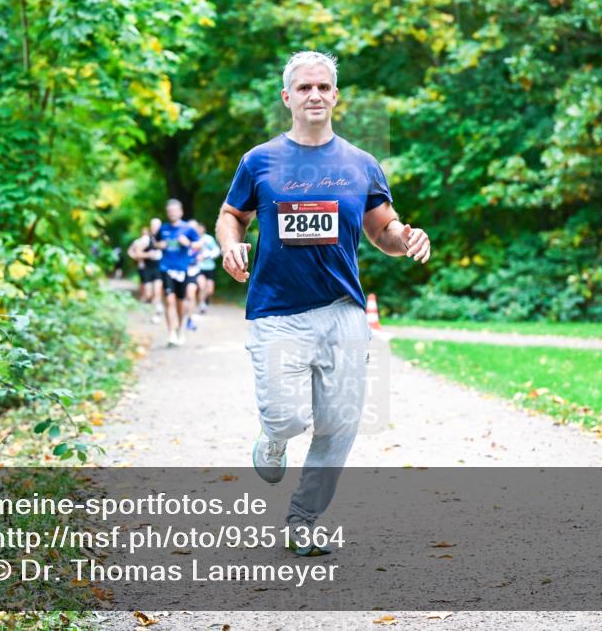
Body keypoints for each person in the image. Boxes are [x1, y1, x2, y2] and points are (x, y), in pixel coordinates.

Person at [215, 51, 430, 555]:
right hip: (276, 309)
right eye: (304, 87)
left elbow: (384, 230)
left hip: (343, 310)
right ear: (287, 97)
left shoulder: (361, 164)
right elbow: (232, 215)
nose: (315, 95)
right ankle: (272, 439)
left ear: (336, 96)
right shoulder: (259, 160)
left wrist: (408, 237)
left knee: (340, 424)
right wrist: (229, 243)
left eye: (324, 87)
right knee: (287, 418)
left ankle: (303, 520)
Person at [157, 200, 202, 346]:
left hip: (182, 269)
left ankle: (180, 330)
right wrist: (159, 245)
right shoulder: (163, 229)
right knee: (169, 300)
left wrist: (188, 244)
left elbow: (199, 244)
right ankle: (171, 333)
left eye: (175, 211)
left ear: (181, 212)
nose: (172, 213)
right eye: (169, 211)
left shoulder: (187, 229)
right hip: (166, 268)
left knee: (180, 304)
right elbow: (155, 242)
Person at [127, 219, 164, 323]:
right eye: (154, 226)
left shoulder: (164, 238)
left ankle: (155, 314)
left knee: (157, 291)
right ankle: (149, 307)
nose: (156, 228)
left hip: (159, 268)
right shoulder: (146, 240)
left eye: (158, 226)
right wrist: (148, 255)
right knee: (148, 293)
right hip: (147, 268)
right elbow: (137, 253)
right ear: (151, 227)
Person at [195, 222, 220, 313]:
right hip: (199, 267)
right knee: (202, 286)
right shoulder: (194, 238)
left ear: (204, 229)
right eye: (198, 228)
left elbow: (216, 251)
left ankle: (205, 301)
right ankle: (202, 304)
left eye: (201, 228)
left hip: (210, 267)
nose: (199, 230)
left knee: (210, 290)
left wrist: (207, 255)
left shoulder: (209, 239)